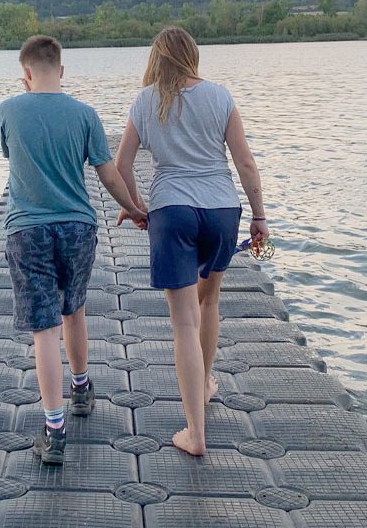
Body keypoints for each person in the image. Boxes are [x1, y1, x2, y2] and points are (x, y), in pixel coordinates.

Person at [115, 27, 269, 456]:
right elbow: (245, 163)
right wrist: (259, 216)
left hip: (172, 211)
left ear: (156, 59)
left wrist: (138, 206)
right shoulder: (220, 96)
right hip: (221, 211)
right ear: (193, 56)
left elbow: (122, 163)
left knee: (183, 321)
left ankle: (195, 434)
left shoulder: (146, 101)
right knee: (209, 302)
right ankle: (203, 385)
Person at [0, 35, 147, 465]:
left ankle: (54, 428)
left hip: (27, 230)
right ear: (61, 71)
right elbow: (110, 174)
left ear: (25, 73)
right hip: (78, 227)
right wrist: (135, 210)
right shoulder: (85, 114)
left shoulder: (9, 110)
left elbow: (10, 156)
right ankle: (81, 389)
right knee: (74, 309)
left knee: (44, 329)